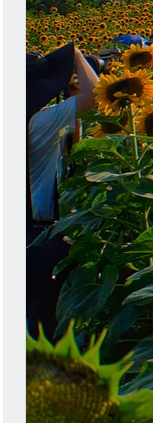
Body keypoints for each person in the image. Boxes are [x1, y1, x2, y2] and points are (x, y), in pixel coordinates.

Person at [25, 44, 98, 335]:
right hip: (35, 239)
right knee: (44, 331)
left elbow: (71, 143)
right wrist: (74, 56)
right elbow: (96, 97)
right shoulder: (37, 121)